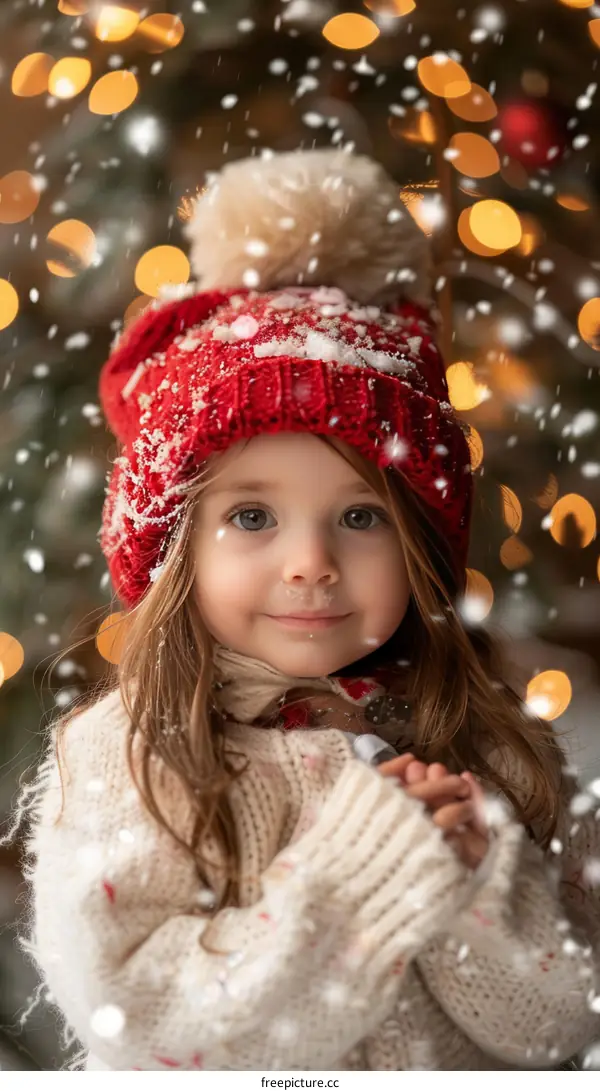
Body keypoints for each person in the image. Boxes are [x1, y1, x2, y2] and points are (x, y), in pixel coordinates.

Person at [11, 150, 600, 1071]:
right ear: (175, 551)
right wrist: (364, 871)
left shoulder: (482, 742)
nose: (312, 564)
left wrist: (480, 876)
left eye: (361, 516)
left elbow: (559, 1023)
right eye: (252, 516)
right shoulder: (129, 758)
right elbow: (149, 1025)